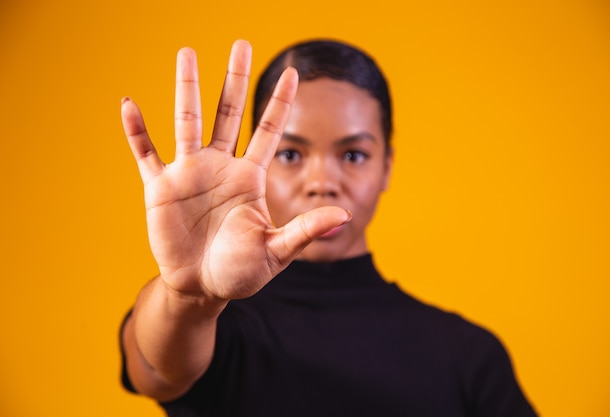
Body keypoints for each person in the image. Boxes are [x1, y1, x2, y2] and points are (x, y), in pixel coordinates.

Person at [119, 38, 538, 416]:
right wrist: (189, 296)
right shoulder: (212, 324)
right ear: (253, 161)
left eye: (353, 155)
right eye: (290, 154)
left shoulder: (468, 356)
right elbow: (157, 370)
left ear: (387, 167)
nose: (322, 182)